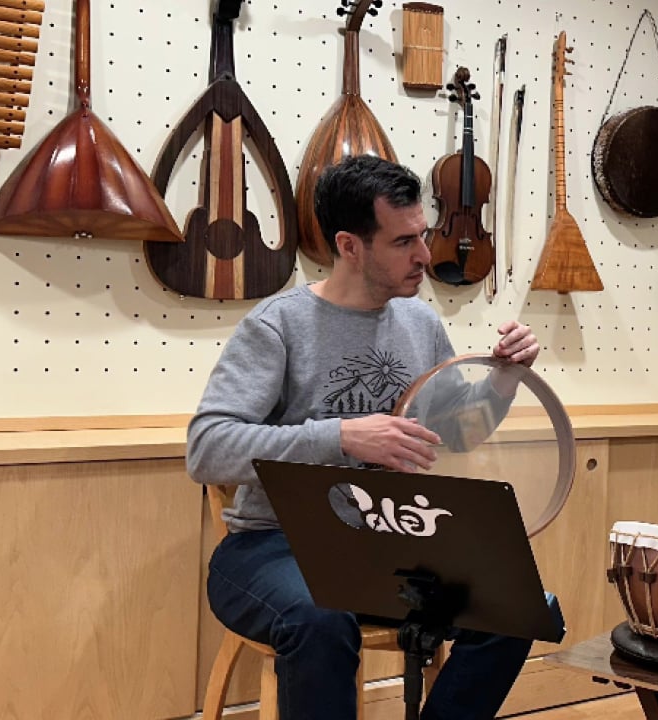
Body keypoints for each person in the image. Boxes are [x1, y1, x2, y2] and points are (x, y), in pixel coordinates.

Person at [187, 155, 551, 719]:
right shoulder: (276, 325)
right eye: (404, 242)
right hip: (271, 546)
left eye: (424, 236)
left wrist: (503, 381)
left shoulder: (421, 324)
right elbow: (208, 449)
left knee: (521, 608)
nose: (426, 257)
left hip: (389, 541)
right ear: (350, 245)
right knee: (319, 619)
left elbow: (457, 433)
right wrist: (341, 436)